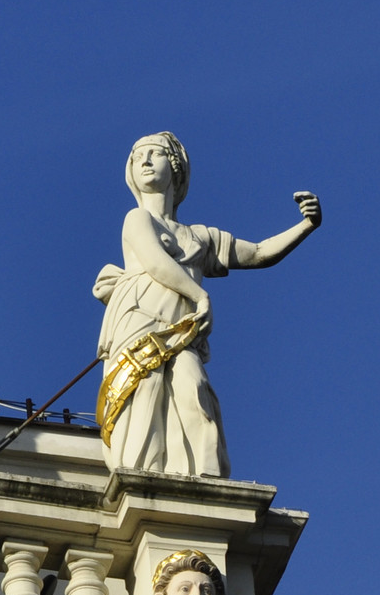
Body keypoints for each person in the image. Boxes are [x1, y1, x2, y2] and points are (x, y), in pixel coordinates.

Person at [94, 132, 321, 477]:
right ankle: (140, 475)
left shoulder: (199, 236)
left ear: (175, 168)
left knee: (194, 388)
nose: (145, 161)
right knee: (145, 390)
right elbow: (156, 262)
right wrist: (199, 295)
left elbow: (259, 253)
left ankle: (202, 479)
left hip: (182, 332)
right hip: (139, 319)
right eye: (138, 156)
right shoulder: (137, 219)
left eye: (155, 154)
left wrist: (306, 225)